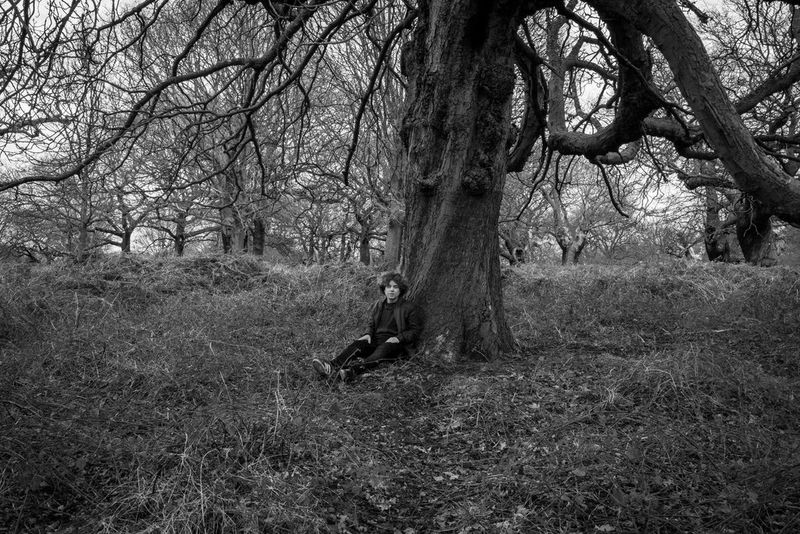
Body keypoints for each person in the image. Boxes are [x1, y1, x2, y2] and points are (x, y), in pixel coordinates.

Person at [312, 272, 422, 381]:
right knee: (358, 344)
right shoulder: (378, 305)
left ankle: (350, 372)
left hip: (394, 344)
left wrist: (398, 338)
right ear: (384, 289)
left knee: (383, 348)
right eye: (388, 286)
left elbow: (414, 331)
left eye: (395, 287)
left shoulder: (409, 308)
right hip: (376, 340)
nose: (391, 290)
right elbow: (371, 324)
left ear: (400, 290)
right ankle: (332, 365)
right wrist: (368, 334)